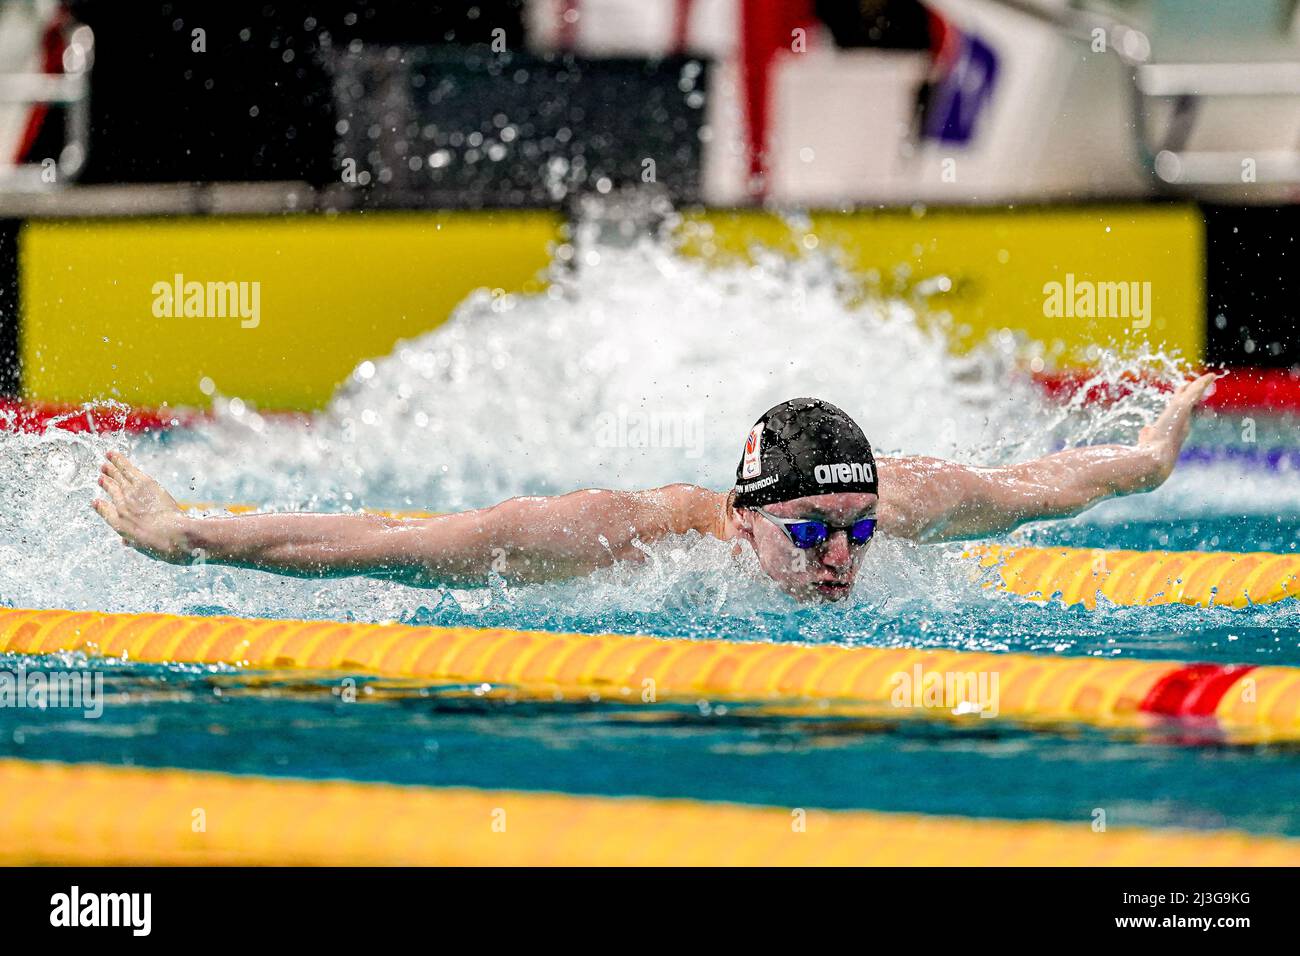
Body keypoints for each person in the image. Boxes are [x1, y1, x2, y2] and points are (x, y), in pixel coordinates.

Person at [92, 373, 1217, 603]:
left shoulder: (902, 499)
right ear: (740, 516)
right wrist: (190, 534)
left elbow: (1042, 485)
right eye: (812, 533)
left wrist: (1148, 458)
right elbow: (401, 542)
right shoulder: (616, 539)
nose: (841, 559)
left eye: (858, 530)